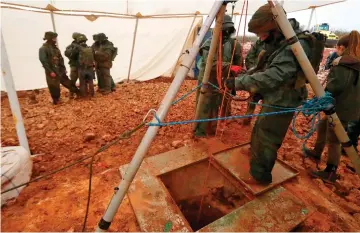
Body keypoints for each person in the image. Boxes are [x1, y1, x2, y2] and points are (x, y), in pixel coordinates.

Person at [226, 4, 311, 184]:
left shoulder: (295, 45)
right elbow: (265, 68)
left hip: (283, 101)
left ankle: (260, 178)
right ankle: (256, 162)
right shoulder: (282, 42)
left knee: (267, 138)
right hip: (275, 97)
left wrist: (239, 83)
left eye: (262, 33)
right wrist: (243, 77)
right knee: (260, 131)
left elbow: (273, 76)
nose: (261, 38)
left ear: (274, 29)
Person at [304, 31, 360, 183]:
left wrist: (323, 94)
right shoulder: (356, 63)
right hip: (351, 108)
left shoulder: (344, 64)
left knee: (335, 139)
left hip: (340, 108)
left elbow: (336, 86)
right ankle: (316, 152)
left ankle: (330, 171)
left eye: (337, 47)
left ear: (342, 47)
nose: (336, 50)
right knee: (323, 126)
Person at [194, 14, 242, 137]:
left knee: (216, 105)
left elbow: (236, 61)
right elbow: (210, 63)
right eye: (224, 29)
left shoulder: (230, 43)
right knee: (204, 106)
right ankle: (200, 132)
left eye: (228, 29)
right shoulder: (209, 43)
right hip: (207, 80)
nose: (226, 32)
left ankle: (212, 130)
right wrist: (230, 67)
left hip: (220, 81)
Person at [39, 31, 80, 104]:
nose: (55, 39)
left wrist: (63, 69)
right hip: (52, 71)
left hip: (60, 70)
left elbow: (61, 59)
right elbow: (44, 61)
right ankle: (56, 100)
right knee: (53, 86)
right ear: (50, 38)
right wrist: (50, 71)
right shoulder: (43, 49)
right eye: (54, 38)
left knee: (68, 82)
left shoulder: (55, 48)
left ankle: (78, 93)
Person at [64, 32, 82, 98]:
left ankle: (72, 93)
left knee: (73, 80)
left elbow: (66, 54)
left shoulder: (70, 46)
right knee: (80, 79)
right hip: (79, 65)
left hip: (73, 65)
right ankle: (79, 93)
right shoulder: (81, 46)